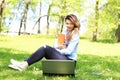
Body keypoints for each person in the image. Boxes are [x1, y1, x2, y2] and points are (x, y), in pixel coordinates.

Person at [8, 14, 80, 71]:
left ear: (74, 24)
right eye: (67, 23)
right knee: (45, 48)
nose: (68, 25)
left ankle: (23, 65)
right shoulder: (65, 31)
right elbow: (55, 45)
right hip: (63, 57)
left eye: (71, 24)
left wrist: (59, 50)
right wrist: (59, 47)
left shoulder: (75, 34)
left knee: (45, 48)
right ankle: (23, 64)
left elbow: (69, 51)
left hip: (70, 62)